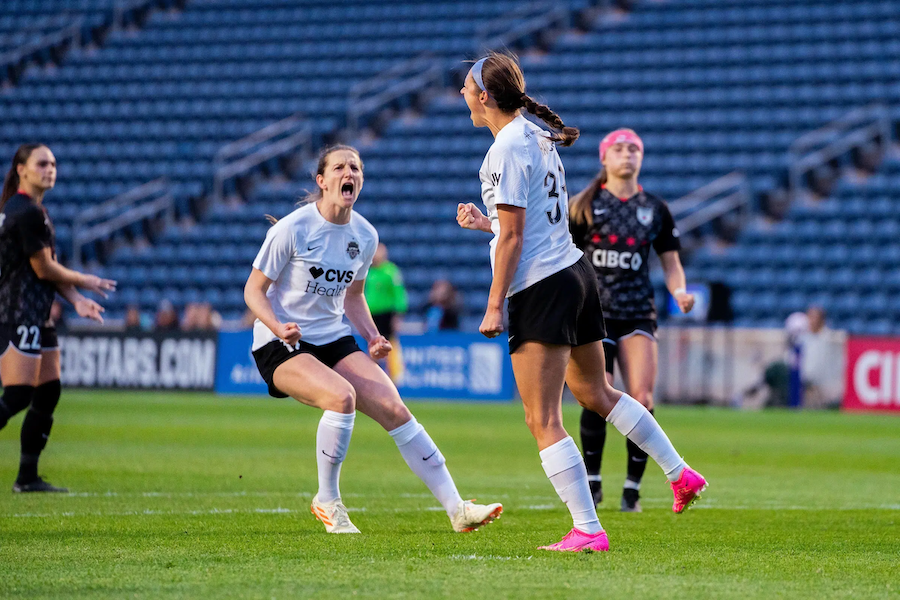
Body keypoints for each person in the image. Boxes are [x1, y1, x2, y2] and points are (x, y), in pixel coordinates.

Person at [456, 53, 707, 552]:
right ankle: (680, 474)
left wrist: (492, 305)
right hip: (577, 275)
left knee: (541, 417)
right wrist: (488, 225)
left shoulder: (504, 148)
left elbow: (514, 239)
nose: (461, 94)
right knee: (598, 392)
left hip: (541, 286)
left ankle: (589, 530)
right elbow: (527, 224)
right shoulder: (535, 136)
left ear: (484, 96)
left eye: (465, 86)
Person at [244, 144, 502, 534]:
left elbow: (353, 295)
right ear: (322, 180)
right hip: (280, 343)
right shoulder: (291, 229)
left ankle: (457, 508)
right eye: (340, 167)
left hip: (332, 338)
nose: (349, 173)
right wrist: (279, 327)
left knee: (395, 409)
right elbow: (253, 291)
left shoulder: (364, 235)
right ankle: (327, 500)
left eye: (356, 167)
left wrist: (371, 336)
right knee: (341, 397)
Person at [568, 128, 695, 512]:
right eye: (619, 149)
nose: (627, 154)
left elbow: (671, 262)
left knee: (642, 397)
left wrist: (679, 291)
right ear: (604, 158)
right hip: (594, 313)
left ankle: (632, 490)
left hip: (638, 311)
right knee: (596, 397)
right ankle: (592, 484)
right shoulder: (583, 205)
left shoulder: (655, 208)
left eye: (634, 149)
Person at [0, 143, 115, 492]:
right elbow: (44, 266)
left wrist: (77, 300)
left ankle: (27, 477)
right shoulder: (25, 212)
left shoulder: (34, 210)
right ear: (22, 169)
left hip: (37, 315)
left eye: (53, 164)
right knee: (18, 395)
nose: (50, 169)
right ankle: (27, 477)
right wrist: (86, 280)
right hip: (17, 314)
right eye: (42, 163)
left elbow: (46, 274)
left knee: (48, 391)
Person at [363, 243, 407, 380]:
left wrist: (398, 316)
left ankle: (394, 378)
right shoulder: (368, 272)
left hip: (386, 314)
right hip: (371, 315)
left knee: (390, 346)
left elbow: (399, 294)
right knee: (372, 346)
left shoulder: (391, 271)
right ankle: (373, 378)